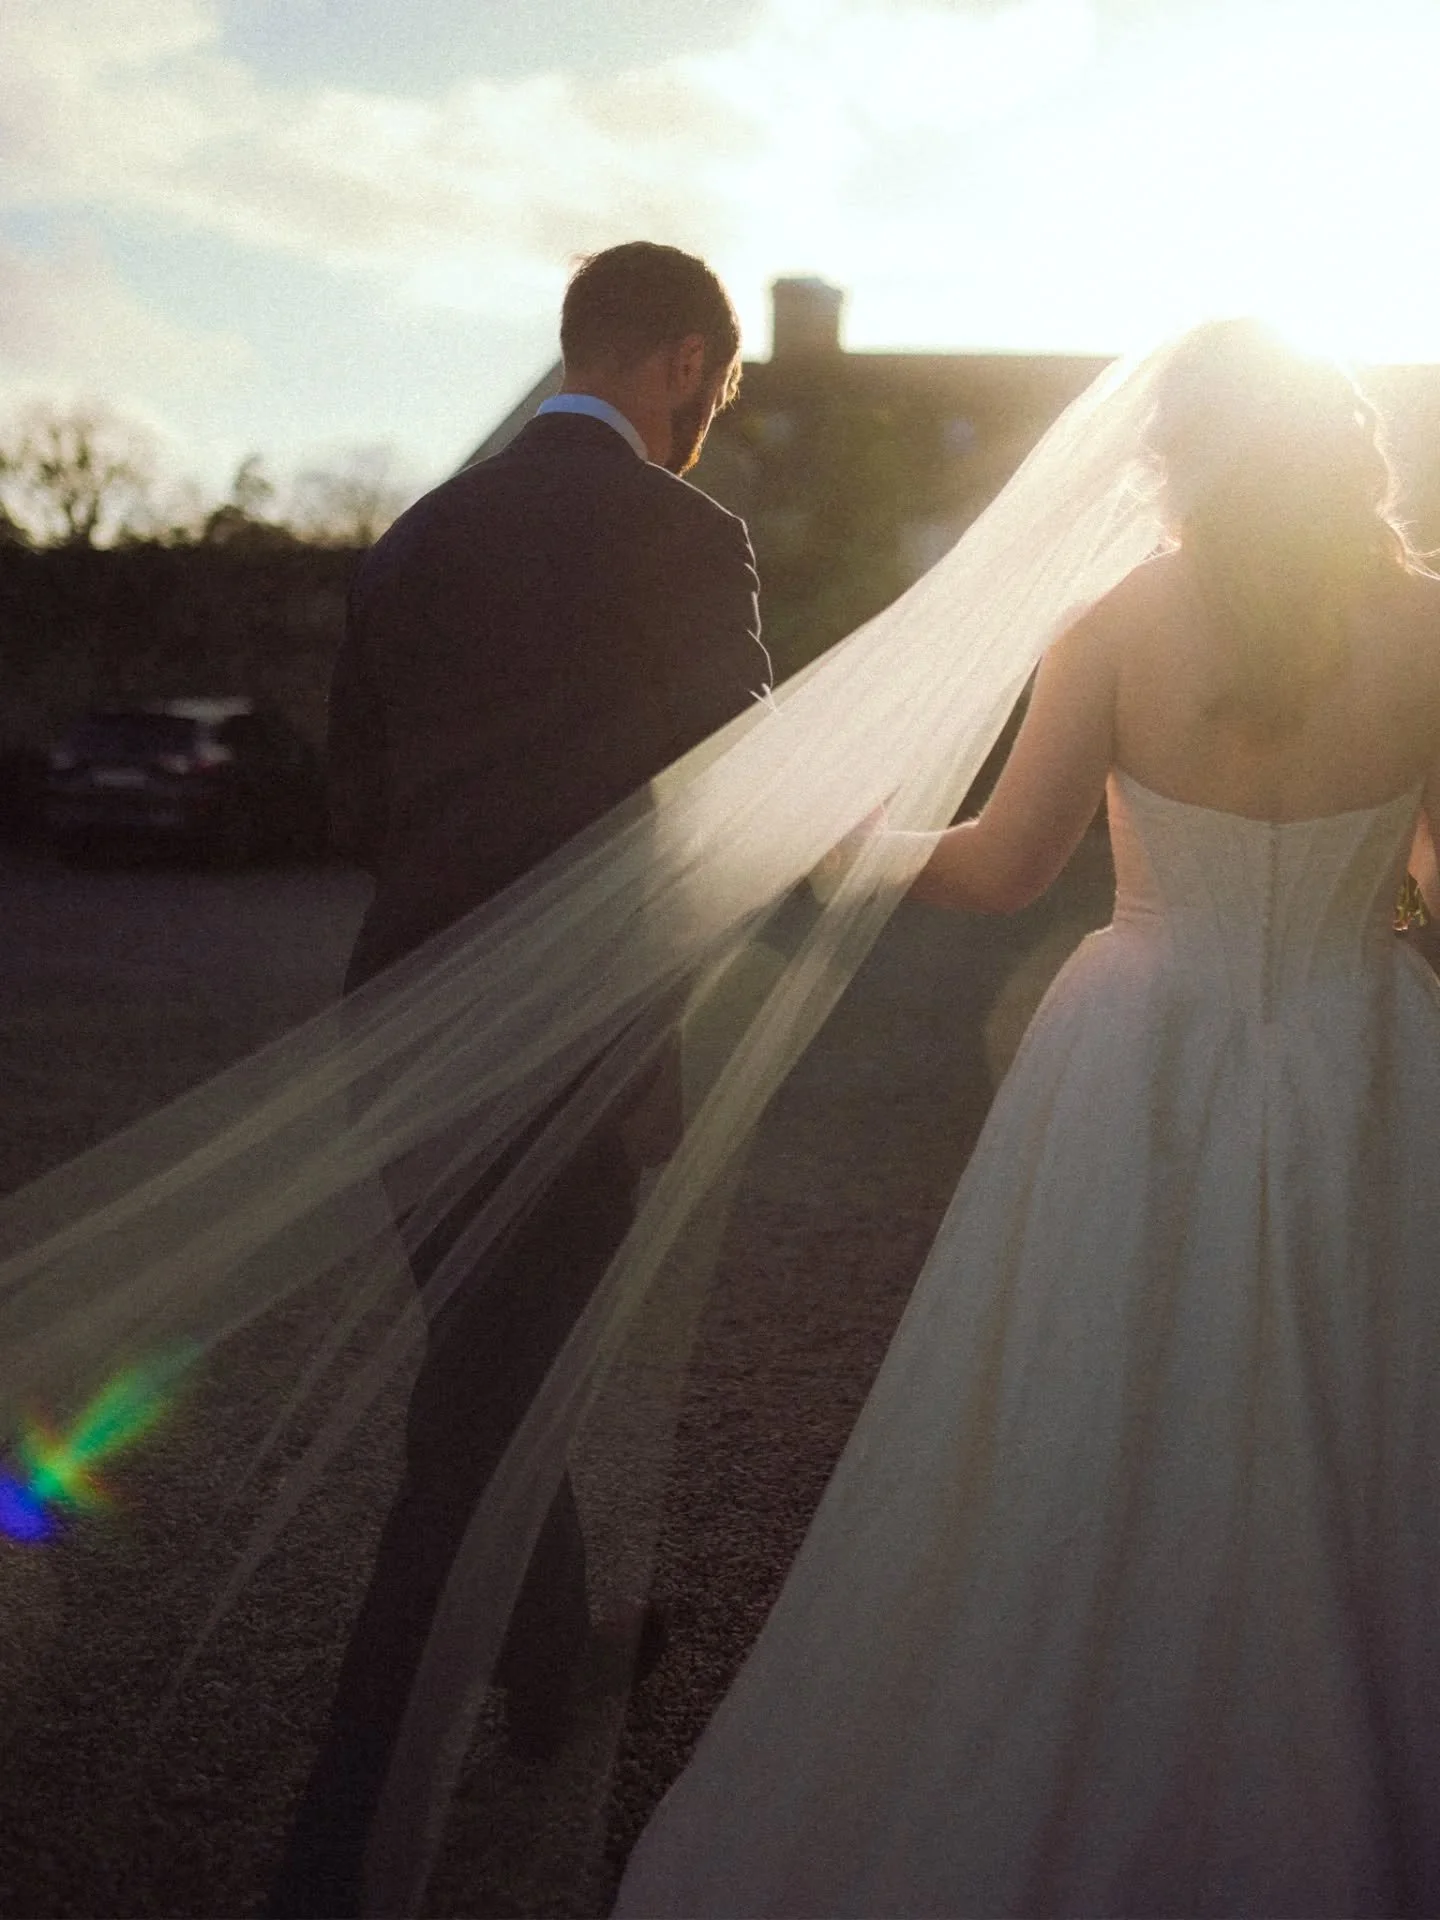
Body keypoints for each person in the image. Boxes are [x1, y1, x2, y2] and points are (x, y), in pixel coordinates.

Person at [612, 320, 1440, 1918]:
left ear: (1177, 456)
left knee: (1095, 1411)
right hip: (1366, 1049)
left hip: (1140, 1051)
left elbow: (1003, 865)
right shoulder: (1425, 627)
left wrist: (847, 841)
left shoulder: (1118, 619)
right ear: (1346, 445)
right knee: (1371, 1408)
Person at [266, 240, 768, 1920]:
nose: (711, 419)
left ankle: (556, 1660)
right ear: (686, 362)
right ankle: (336, 1851)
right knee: (466, 1429)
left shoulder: (415, 536)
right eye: (721, 388)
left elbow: (352, 804)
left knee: (494, 1365)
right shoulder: (687, 538)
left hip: (396, 1030)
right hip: (577, 1048)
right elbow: (740, 801)